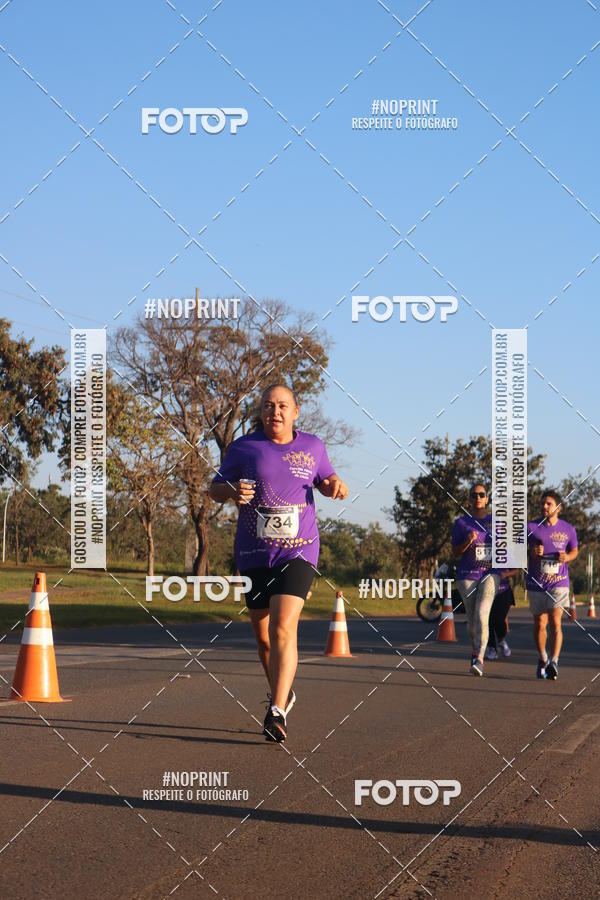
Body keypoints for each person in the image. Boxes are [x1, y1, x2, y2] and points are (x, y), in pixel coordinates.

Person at [209, 384, 348, 742]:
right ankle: (283, 692)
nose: (276, 413)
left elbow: (327, 479)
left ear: (296, 411)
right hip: (254, 552)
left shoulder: (313, 446)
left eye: (283, 406)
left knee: (283, 626)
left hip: (298, 550)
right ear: (261, 411)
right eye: (269, 406)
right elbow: (215, 488)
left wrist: (335, 486)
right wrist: (232, 491)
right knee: (263, 636)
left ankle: (276, 710)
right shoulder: (244, 447)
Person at [527, 489, 578, 680]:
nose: (544, 506)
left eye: (548, 503)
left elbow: (574, 551)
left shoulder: (568, 529)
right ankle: (543, 657)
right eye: (542, 503)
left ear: (558, 507)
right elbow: (515, 549)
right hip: (536, 582)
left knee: (555, 621)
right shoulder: (530, 527)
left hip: (559, 582)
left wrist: (567, 557)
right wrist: (530, 551)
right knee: (540, 623)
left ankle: (554, 662)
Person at [451, 483, 493, 675]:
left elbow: (507, 550)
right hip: (467, 575)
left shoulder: (496, 522)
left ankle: (480, 659)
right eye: (474, 495)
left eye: (481, 494)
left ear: (486, 498)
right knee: (472, 619)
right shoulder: (461, 523)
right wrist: (468, 541)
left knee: (482, 613)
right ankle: (475, 648)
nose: (478, 498)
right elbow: (455, 552)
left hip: (490, 574)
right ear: (469, 499)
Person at [484, 575, 515, 660]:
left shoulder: (508, 561)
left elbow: (516, 570)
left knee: (499, 620)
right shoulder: (483, 561)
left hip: (503, 591)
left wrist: (505, 574)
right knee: (487, 621)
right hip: (486, 591)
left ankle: (501, 640)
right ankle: (492, 648)